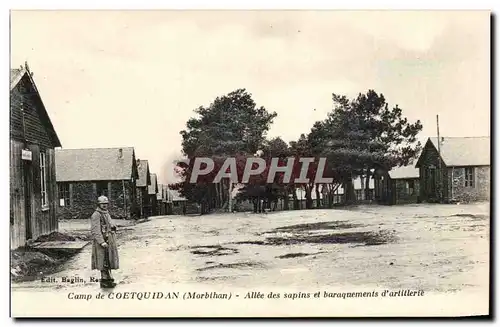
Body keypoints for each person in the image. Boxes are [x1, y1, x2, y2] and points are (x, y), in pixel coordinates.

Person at [90, 196, 119, 288]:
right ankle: (104, 280)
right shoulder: (96, 215)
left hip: (109, 240)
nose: (104, 206)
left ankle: (109, 278)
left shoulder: (106, 213)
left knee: (108, 260)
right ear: (99, 204)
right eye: (102, 204)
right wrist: (101, 242)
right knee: (102, 261)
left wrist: (113, 227)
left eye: (106, 204)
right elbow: (95, 230)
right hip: (101, 242)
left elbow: (110, 224)